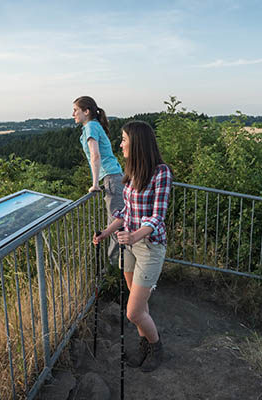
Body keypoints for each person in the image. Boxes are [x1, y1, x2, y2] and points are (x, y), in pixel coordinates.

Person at [93, 120, 172, 372]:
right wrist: (107, 232)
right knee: (139, 306)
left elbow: (157, 216)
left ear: (137, 142)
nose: (121, 144)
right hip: (130, 245)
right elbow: (126, 212)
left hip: (149, 247)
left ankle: (156, 347)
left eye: (124, 139)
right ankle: (144, 345)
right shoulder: (132, 172)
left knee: (133, 312)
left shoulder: (161, 173)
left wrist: (135, 235)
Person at [73, 96, 124, 266]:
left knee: (117, 222)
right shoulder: (94, 126)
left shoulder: (91, 127)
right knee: (116, 221)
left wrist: (95, 184)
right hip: (113, 177)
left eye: (76, 110)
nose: (73, 114)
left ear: (86, 112)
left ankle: (117, 266)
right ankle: (119, 265)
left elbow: (95, 155)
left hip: (111, 178)